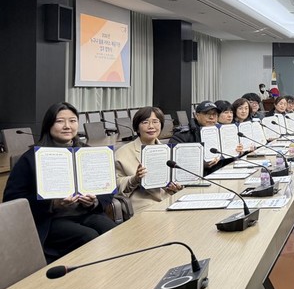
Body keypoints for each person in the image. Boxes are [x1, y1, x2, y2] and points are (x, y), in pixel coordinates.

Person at [3, 102, 115, 262]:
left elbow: (107, 188)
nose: (67, 126)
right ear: (49, 124)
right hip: (50, 220)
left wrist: (94, 202)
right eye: (60, 121)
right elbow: (12, 200)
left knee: (111, 232)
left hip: (85, 213)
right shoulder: (31, 157)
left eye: (72, 121)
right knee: (88, 237)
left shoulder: (88, 152)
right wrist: (52, 204)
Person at [114, 106, 182, 213]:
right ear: (137, 128)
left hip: (169, 199)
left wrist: (176, 187)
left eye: (155, 122)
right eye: (145, 122)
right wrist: (135, 179)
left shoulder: (169, 151)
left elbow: (176, 180)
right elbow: (116, 186)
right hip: (142, 204)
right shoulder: (122, 153)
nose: (151, 126)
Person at [168, 101, 234, 174]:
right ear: (197, 116)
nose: (211, 117)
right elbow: (175, 161)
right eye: (207, 114)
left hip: (219, 174)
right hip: (195, 177)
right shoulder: (182, 135)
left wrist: (236, 153)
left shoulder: (221, 133)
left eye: (214, 114)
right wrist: (201, 164)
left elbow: (227, 162)